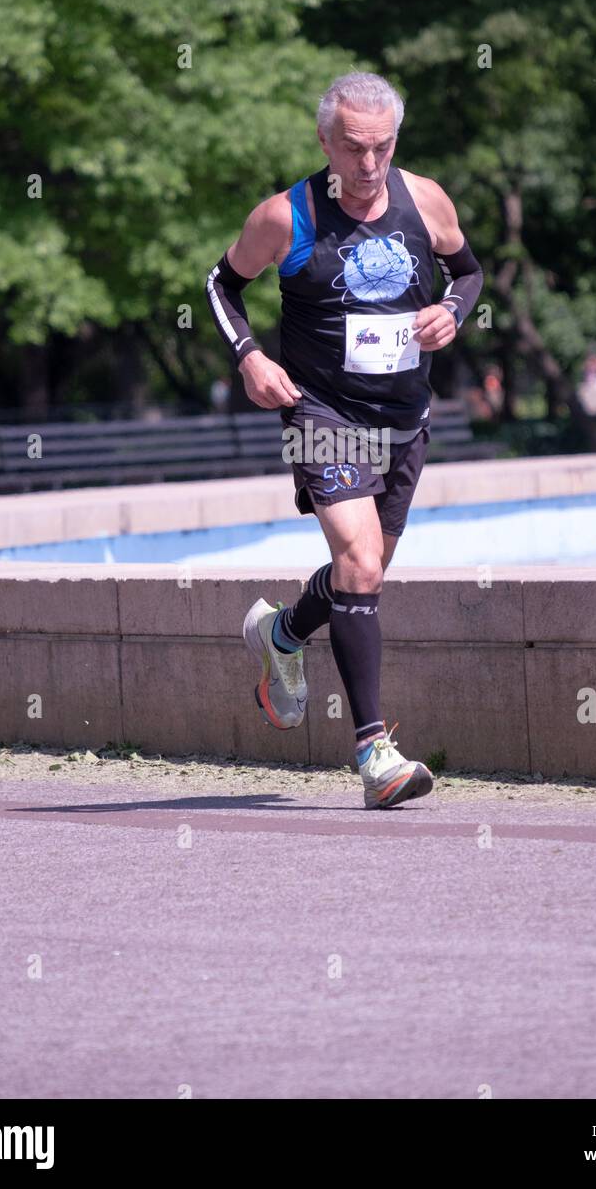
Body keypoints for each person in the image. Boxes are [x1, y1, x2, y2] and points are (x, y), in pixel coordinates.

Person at [205, 72, 483, 808]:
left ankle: (283, 634)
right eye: (354, 149)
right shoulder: (285, 218)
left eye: (383, 148)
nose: (369, 166)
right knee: (358, 559)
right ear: (325, 141)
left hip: (405, 416)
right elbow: (219, 284)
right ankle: (374, 755)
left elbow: (469, 271)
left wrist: (454, 311)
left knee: (366, 573)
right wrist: (249, 356)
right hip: (321, 410)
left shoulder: (425, 200)